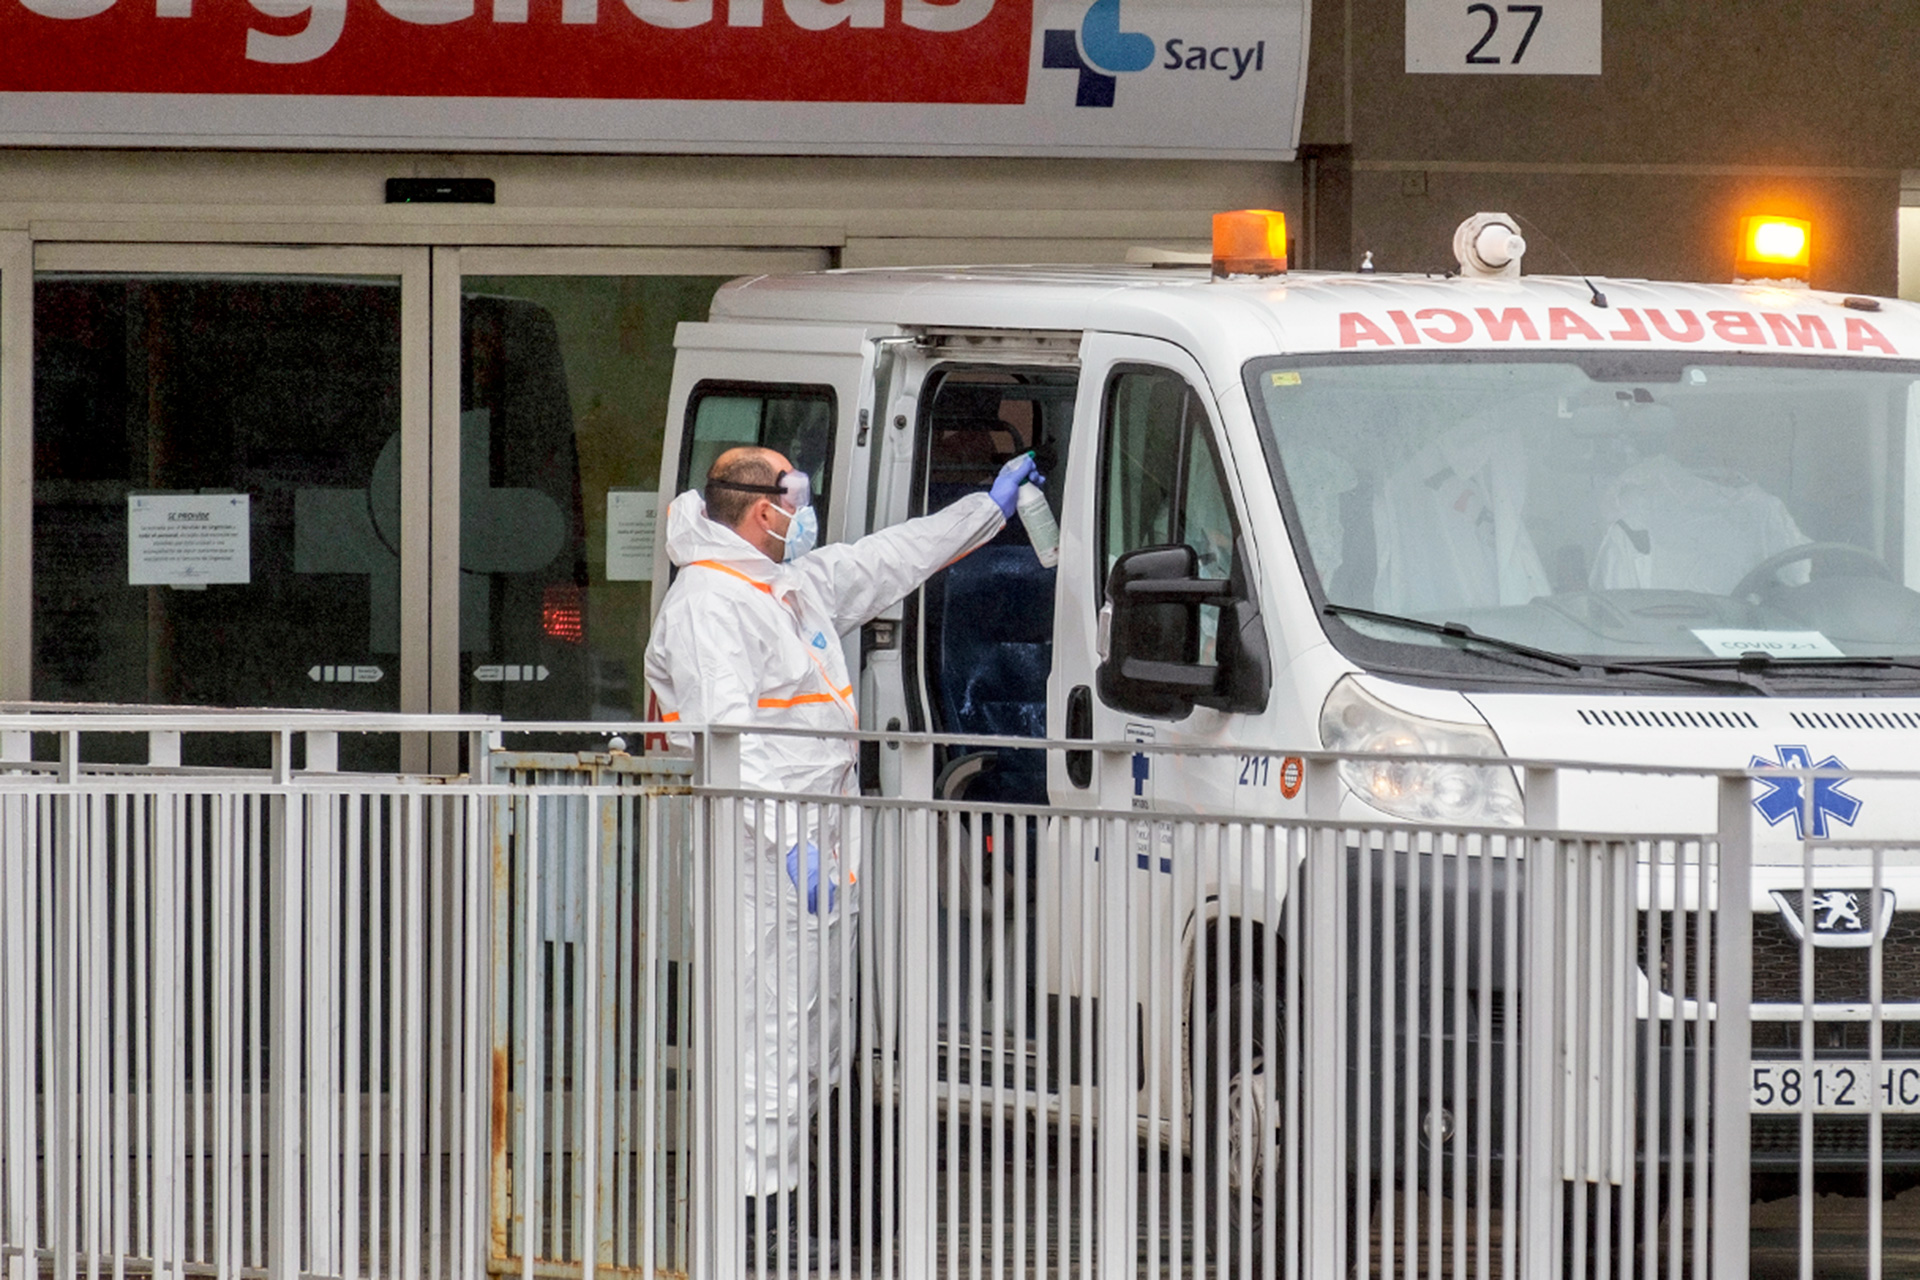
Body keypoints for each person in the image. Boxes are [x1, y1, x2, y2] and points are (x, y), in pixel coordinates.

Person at [643, 443, 1040, 1259]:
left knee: (818, 1033)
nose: (807, 510)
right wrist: (794, 846)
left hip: (814, 841)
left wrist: (988, 509)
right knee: (769, 1033)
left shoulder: (788, 584)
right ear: (763, 510)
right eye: (798, 495)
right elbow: (729, 743)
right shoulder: (708, 603)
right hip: (757, 852)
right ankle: (756, 1224)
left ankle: (795, 1205)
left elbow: (886, 560)